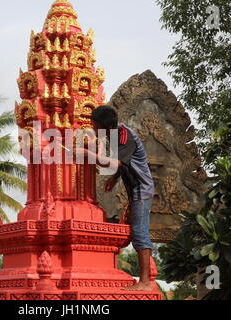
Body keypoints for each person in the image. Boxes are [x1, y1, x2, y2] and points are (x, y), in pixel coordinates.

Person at [76, 105, 155, 291]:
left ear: (105, 127)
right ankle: (144, 281)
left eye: (95, 127)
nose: (94, 131)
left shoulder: (124, 136)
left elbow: (117, 162)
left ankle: (145, 283)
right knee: (136, 231)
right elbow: (122, 164)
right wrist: (114, 178)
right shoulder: (114, 135)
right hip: (134, 189)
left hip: (141, 190)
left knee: (140, 233)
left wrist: (88, 155)